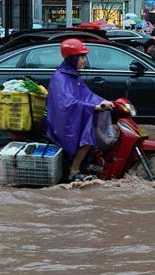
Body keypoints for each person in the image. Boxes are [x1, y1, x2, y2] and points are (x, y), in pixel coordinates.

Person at [46, 39, 114, 180]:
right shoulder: (61, 77)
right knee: (88, 136)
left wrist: (103, 101)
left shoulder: (74, 75)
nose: (84, 60)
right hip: (63, 121)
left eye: (84, 57)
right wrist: (94, 107)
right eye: (81, 57)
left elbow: (87, 95)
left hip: (75, 116)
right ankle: (74, 170)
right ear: (72, 58)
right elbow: (67, 103)